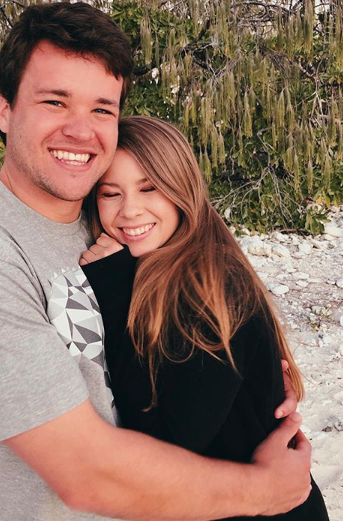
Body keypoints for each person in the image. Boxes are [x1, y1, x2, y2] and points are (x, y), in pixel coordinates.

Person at [0, 3, 312, 521]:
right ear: (5, 109)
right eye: (54, 101)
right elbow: (87, 475)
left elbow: (183, 322)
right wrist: (265, 490)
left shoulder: (103, 222)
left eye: (101, 108)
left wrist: (249, 382)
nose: (80, 130)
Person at [80, 115, 329, 521]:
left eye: (150, 188)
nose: (130, 210)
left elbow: (168, 446)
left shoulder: (208, 289)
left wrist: (114, 294)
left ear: (182, 189)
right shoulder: (167, 269)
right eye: (111, 194)